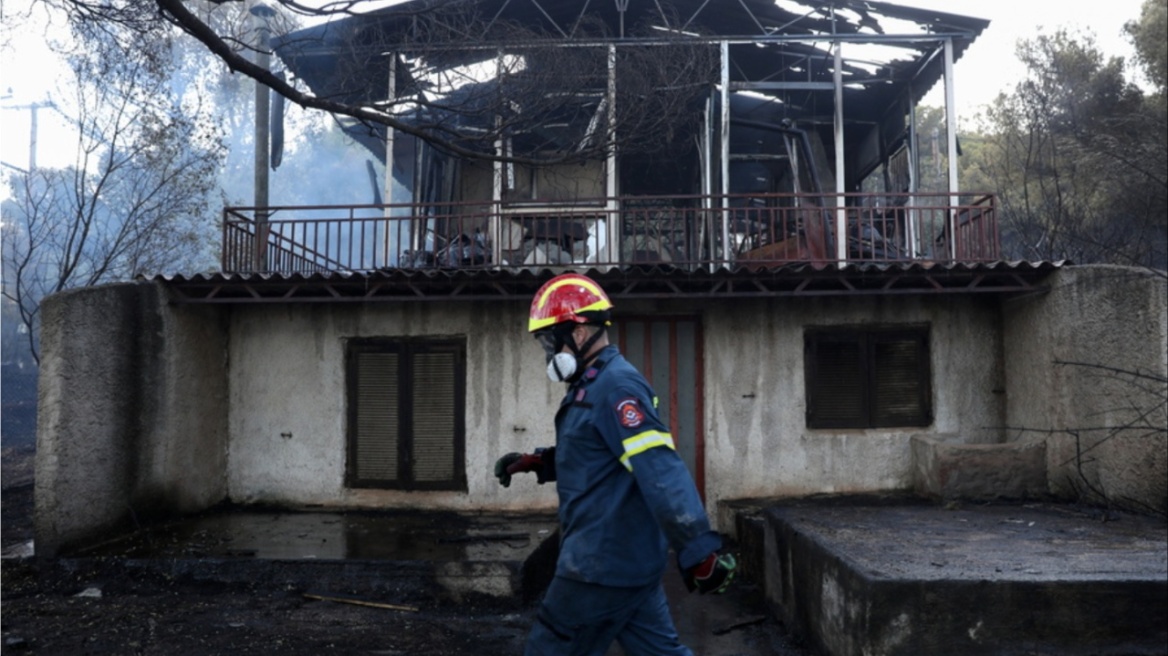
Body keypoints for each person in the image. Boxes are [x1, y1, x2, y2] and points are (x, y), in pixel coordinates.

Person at [495, 272, 736, 656]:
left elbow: (660, 470)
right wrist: (536, 462)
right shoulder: (592, 384)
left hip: (597, 566)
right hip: (626, 563)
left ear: (576, 333)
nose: (546, 352)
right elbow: (596, 455)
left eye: (548, 340)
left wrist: (699, 551)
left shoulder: (616, 387)